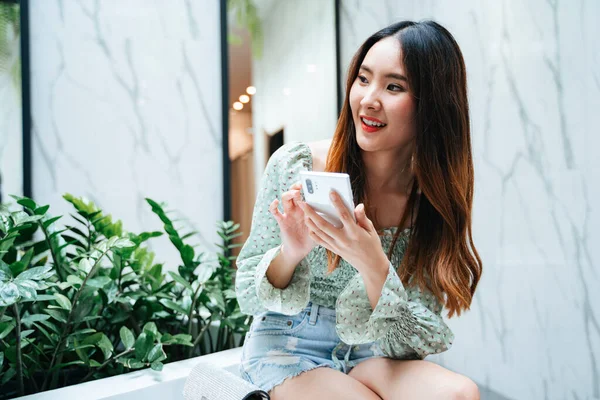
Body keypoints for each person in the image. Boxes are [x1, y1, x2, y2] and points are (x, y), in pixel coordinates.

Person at [235, 20, 483, 400]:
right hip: (288, 344)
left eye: (394, 86)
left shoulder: (430, 200)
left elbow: (413, 342)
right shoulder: (297, 164)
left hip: (370, 351)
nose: (368, 99)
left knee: (460, 394)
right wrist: (292, 253)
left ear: (431, 106)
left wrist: (374, 265)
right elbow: (248, 297)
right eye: (363, 79)